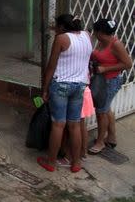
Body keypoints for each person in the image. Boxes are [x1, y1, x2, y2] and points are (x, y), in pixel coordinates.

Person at [37, 14, 92, 173]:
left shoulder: (61, 39)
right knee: (74, 125)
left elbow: (51, 66)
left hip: (61, 84)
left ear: (62, 27)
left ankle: (51, 163)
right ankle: (76, 163)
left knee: (58, 125)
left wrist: (45, 89)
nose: (55, 29)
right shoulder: (86, 35)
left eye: (56, 26)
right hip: (80, 85)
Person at [88, 18, 132, 154]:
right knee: (106, 109)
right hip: (102, 80)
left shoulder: (115, 44)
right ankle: (111, 138)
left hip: (110, 81)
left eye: (96, 31)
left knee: (101, 112)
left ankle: (100, 142)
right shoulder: (102, 42)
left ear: (101, 32)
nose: (94, 33)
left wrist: (105, 69)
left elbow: (128, 64)